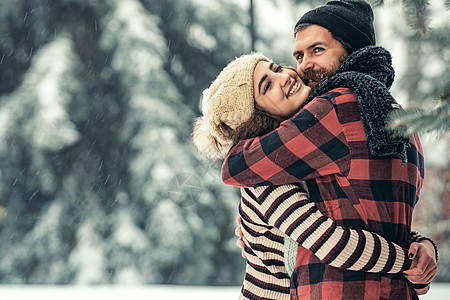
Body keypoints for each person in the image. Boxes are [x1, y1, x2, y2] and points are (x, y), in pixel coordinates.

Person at [221, 1, 438, 299]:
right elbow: (373, 215)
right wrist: (420, 251)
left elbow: (236, 167)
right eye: (298, 55)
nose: (303, 65)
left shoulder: (332, 110)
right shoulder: (403, 122)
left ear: (352, 48)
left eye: (317, 50)